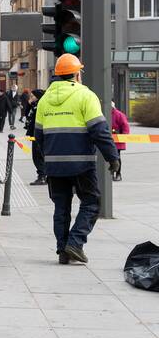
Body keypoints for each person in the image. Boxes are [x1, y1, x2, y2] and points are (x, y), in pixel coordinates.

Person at [33, 54, 120, 265]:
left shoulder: (44, 100)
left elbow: (38, 138)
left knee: (61, 208)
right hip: (81, 164)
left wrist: (42, 166)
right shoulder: (85, 95)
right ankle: (75, 242)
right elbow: (100, 131)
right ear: (76, 74)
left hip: (54, 166)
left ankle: (63, 251)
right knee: (91, 202)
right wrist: (113, 158)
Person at [25, 89, 46, 186]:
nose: (31, 98)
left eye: (32, 96)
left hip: (37, 134)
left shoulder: (39, 106)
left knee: (37, 156)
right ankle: (43, 175)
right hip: (34, 133)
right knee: (36, 156)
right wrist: (29, 104)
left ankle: (42, 176)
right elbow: (26, 114)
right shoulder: (34, 106)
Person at [111, 103, 129, 182]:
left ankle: (118, 174)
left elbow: (125, 126)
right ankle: (111, 174)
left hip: (118, 139)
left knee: (117, 157)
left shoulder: (119, 115)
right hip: (108, 139)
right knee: (109, 157)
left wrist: (123, 135)